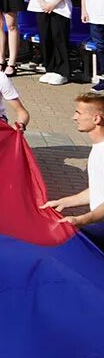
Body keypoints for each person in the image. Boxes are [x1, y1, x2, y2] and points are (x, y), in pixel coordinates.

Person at [40, 92, 104, 248]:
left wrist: (83, 219)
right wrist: (65, 201)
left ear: (96, 119)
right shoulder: (98, 148)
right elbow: (98, 189)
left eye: (78, 113)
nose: (74, 118)